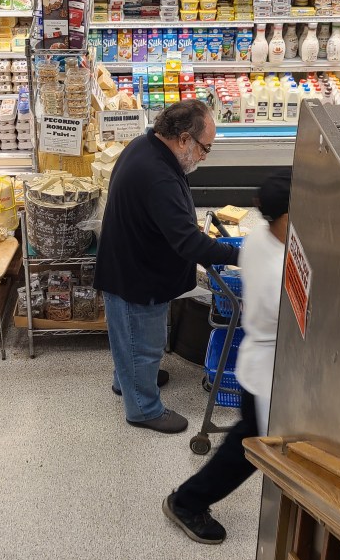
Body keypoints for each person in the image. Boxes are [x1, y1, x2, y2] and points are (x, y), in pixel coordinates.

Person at [96, 100, 241, 434]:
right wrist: (239, 258)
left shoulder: (144, 145)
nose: (205, 156)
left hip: (129, 262)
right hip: (137, 276)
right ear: (183, 139)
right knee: (141, 341)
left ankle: (129, 380)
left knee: (129, 337)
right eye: (205, 148)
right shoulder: (158, 175)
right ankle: (143, 407)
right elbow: (189, 243)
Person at [163, 168, 292, 543]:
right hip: (267, 371)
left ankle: (188, 500)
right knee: (244, 448)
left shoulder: (260, 242)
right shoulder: (275, 268)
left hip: (264, 363)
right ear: (285, 216)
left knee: (247, 442)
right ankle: (186, 502)